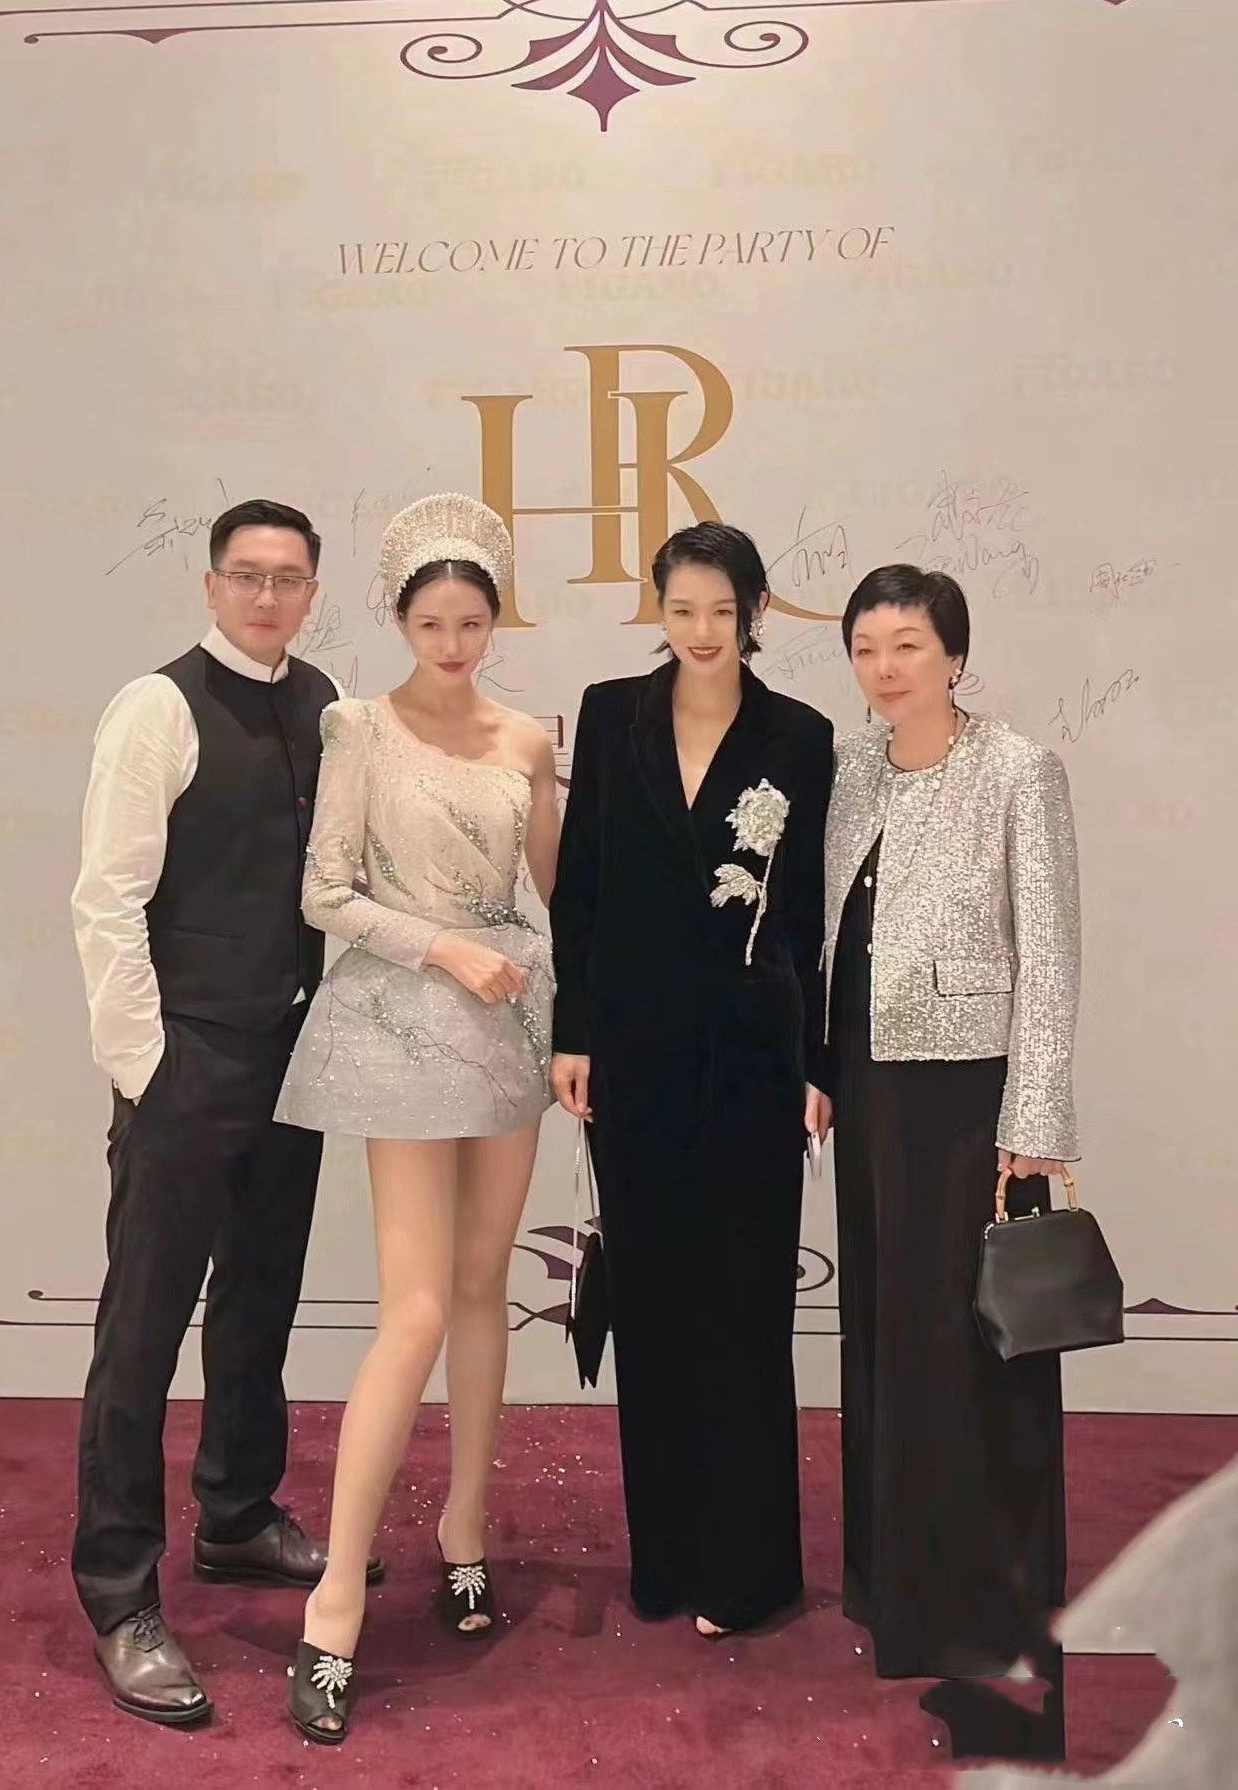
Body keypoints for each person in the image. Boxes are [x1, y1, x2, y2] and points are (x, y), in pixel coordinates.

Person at [70, 498, 381, 1726]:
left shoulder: (326, 702)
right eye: (245, 575)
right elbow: (107, 897)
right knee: (141, 1327)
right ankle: (118, 1591)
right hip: (187, 1058)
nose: (265, 595)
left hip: (294, 1055)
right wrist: (145, 1067)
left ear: (312, 592)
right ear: (210, 586)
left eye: (287, 578)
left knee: (261, 1294)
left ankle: (238, 1512)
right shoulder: (155, 708)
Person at [275, 493, 559, 1743]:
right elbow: (323, 891)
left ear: (495, 622)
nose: (451, 642)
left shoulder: (525, 739)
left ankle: (464, 1529)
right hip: (403, 1022)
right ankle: (335, 1599)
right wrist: (441, 945)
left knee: (485, 1285)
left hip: (508, 1025)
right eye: (431, 622)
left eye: (471, 623)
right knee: (418, 1305)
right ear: (400, 620)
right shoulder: (359, 727)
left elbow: (561, 892)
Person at [549, 520, 834, 1638]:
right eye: (682, 609)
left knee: (745, 1306)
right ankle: (665, 1557)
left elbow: (806, 912)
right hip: (632, 1051)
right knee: (656, 1302)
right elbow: (580, 885)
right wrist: (573, 1031)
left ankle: (749, 1571)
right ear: (657, 611)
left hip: (754, 1056)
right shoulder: (609, 712)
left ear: (755, 611)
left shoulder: (799, 735)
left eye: (722, 610)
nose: (702, 630)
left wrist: (815, 1063)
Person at [825, 563, 1079, 1687]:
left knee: (966, 1336)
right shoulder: (851, 768)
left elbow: (1050, 954)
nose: (885, 669)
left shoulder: (1018, 768)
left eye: (908, 646)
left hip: (971, 1093)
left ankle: (980, 1593)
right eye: (866, 648)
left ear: (955, 656)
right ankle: (892, 1572)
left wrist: (1036, 1112)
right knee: (886, 1325)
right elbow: (833, 935)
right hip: (866, 1082)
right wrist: (817, 1068)